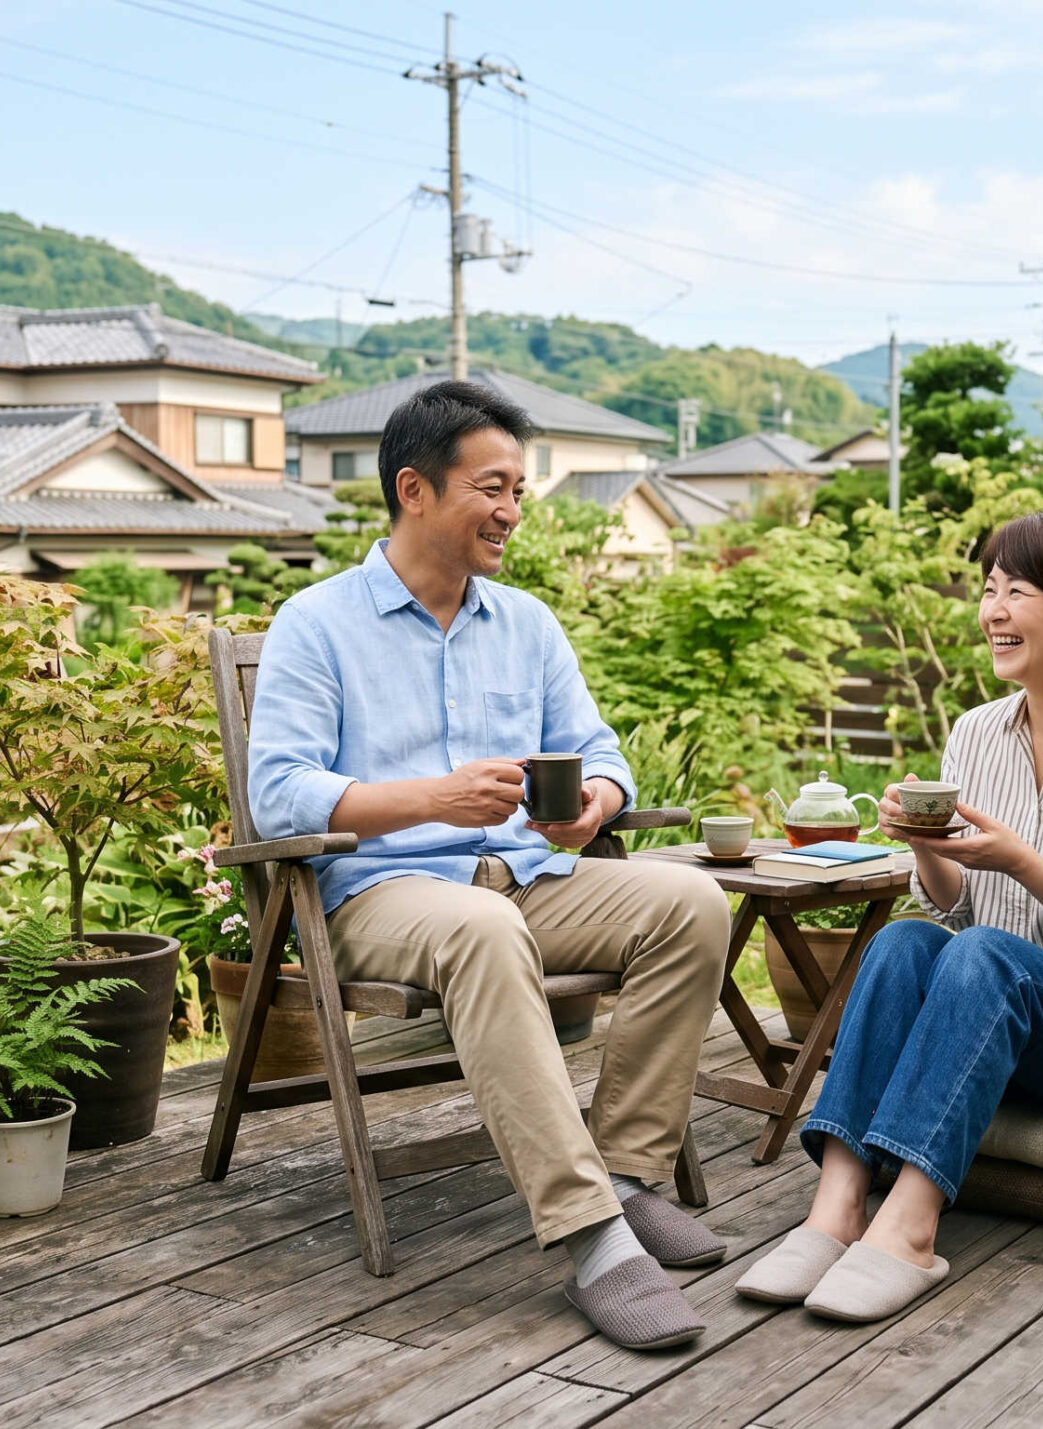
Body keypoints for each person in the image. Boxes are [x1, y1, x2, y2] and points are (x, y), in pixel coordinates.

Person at [247, 380, 732, 1350]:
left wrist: (599, 799)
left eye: (520, 489)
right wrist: (432, 797)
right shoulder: (317, 621)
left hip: (525, 875)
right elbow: (280, 795)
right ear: (415, 490)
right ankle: (590, 1233)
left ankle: (629, 1174)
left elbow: (597, 748)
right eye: (492, 487)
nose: (512, 511)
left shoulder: (526, 623)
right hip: (383, 892)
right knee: (481, 927)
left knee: (689, 900)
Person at [735, 507, 1043, 1322]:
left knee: (985, 955)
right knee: (906, 941)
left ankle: (913, 1224)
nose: (992, 609)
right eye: (988, 588)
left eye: (1017, 590)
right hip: (1010, 1011)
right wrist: (928, 846)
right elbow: (952, 907)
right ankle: (837, 1206)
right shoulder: (976, 733)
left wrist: (1021, 860)